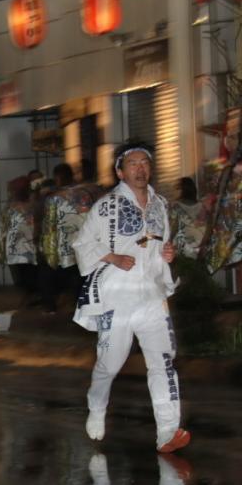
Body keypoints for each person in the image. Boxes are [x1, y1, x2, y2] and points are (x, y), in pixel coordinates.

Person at [72, 142, 190, 453]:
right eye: (133, 164)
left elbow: (162, 244)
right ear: (120, 172)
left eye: (145, 163)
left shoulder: (159, 204)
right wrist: (111, 257)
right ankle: (97, 408)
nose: (140, 169)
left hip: (151, 295)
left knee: (163, 362)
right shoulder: (106, 206)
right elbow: (82, 244)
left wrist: (167, 252)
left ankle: (167, 430)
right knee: (109, 365)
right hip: (117, 296)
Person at [38, 163, 97, 314]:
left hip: (61, 246)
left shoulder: (53, 198)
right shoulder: (85, 195)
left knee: (49, 277)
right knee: (79, 280)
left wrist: (46, 249)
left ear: (57, 177)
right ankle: (83, 309)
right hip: (81, 245)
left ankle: (51, 307)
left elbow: (49, 226)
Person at [0, 176, 36, 301]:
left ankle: (28, 303)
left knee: (24, 283)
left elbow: (1, 230)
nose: (10, 193)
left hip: (16, 253)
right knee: (32, 282)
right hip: (33, 251)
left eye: (11, 190)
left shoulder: (11, 209)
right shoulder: (34, 205)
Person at [169, 177, 211, 260]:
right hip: (200, 251)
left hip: (181, 253)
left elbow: (172, 229)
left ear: (182, 189)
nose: (172, 191)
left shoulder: (175, 207)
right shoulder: (203, 206)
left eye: (176, 188)